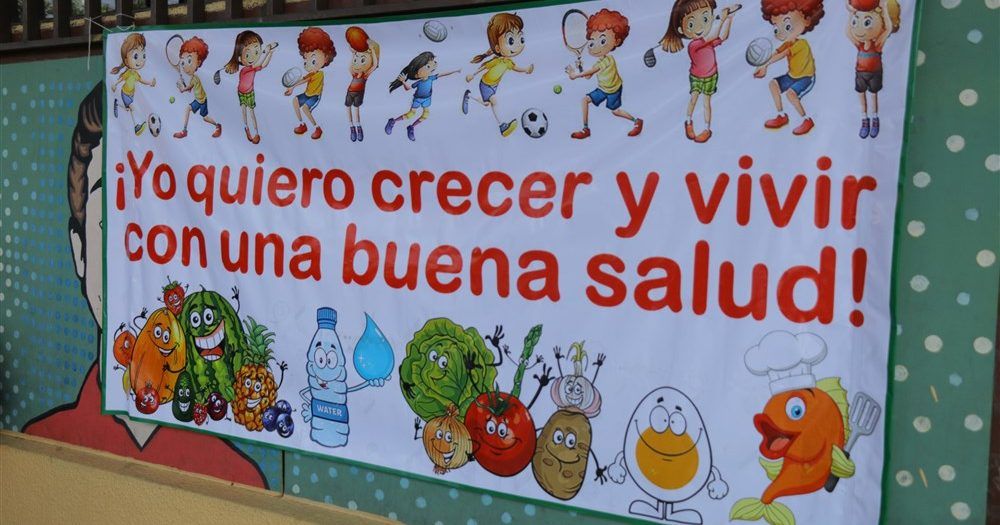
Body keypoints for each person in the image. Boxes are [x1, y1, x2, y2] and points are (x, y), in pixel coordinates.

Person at [23, 84, 267, 489]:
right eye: (113, 223)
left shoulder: (239, 478)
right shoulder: (41, 444)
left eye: (167, 228)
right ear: (80, 251)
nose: (140, 254)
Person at [660, 0, 740, 142]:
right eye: (691, 24)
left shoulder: (708, 42)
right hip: (696, 77)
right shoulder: (694, 44)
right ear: (681, 30)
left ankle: (706, 129)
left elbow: (723, 37)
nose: (700, 27)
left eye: (705, 18)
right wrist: (721, 19)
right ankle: (688, 122)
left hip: (711, 76)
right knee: (694, 99)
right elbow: (713, 36)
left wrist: (729, 19)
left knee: (706, 103)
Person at [565, 9, 643, 139]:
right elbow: (588, 76)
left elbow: (592, 71)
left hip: (614, 90)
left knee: (615, 111)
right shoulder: (599, 61)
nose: (595, 46)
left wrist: (575, 75)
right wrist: (579, 68)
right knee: (585, 100)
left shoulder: (608, 60)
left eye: (602, 41)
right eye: (592, 42)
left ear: (616, 41)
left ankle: (637, 121)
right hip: (602, 89)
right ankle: (586, 129)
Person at [753, 0, 825, 135]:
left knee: (790, 94)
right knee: (773, 84)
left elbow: (784, 54)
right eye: (776, 28)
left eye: (787, 26)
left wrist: (766, 65)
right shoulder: (788, 43)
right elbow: (777, 52)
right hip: (792, 76)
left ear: (806, 20)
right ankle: (781, 116)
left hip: (806, 78)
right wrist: (763, 66)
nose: (780, 32)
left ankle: (806, 120)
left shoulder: (802, 44)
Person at [462, 13, 535, 137]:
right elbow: (485, 66)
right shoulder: (497, 60)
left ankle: (469, 95)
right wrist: (473, 74)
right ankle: (502, 126)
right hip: (485, 84)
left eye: (521, 39)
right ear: (497, 47)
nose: (518, 45)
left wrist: (526, 70)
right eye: (511, 40)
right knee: (494, 102)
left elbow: (515, 68)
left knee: (487, 104)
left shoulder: (508, 62)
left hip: (494, 86)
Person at [845, 0, 900, 138]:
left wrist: (884, 9)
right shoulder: (859, 45)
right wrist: (851, 15)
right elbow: (848, 33)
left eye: (867, 23)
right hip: (860, 73)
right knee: (861, 95)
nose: (859, 29)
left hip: (874, 73)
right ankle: (865, 120)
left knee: (873, 96)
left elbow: (887, 29)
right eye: (855, 22)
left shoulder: (877, 45)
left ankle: (875, 118)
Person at [385, 52, 460, 141]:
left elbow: (442, 74)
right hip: (417, 99)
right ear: (417, 75)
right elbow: (408, 88)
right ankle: (393, 121)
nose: (434, 64)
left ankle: (411, 127)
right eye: (428, 66)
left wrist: (455, 71)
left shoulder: (431, 78)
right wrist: (403, 82)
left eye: (433, 62)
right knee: (411, 114)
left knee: (425, 115)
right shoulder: (418, 82)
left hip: (427, 99)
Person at [222, 30, 277, 144]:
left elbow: (263, 65)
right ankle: (246, 127)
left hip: (250, 92)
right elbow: (258, 63)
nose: (253, 56)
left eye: (257, 51)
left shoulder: (254, 67)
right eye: (247, 54)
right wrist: (266, 51)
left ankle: (256, 133)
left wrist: (270, 54)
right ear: (240, 58)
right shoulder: (246, 69)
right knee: (244, 110)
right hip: (241, 92)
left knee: (251, 112)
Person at [285, 27, 336, 140]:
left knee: (305, 108)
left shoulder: (319, 74)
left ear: (326, 58)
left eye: (312, 61)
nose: (307, 65)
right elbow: (303, 79)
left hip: (314, 96)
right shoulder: (311, 73)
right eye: (305, 61)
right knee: (295, 100)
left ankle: (317, 128)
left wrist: (292, 87)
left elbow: (305, 80)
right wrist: (292, 88)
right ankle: (302, 124)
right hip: (307, 94)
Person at [172, 36, 222, 139]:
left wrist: (181, 88)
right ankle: (184, 131)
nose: (185, 66)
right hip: (198, 99)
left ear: (198, 62)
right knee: (188, 109)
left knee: (205, 117)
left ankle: (217, 126)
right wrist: (182, 87)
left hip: (202, 100)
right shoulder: (193, 78)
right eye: (183, 62)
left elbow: (187, 89)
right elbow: (190, 89)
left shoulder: (195, 79)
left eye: (189, 61)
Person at [109, 33, 156, 136]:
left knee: (128, 109)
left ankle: (117, 104)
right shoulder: (128, 73)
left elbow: (141, 80)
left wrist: (150, 83)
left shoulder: (135, 74)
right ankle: (136, 127)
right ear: (126, 60)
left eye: (143, 55)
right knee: (133, 108)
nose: (140, 60)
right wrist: (115, 84)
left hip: (131, 95)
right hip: (125, 93)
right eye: (136, 56)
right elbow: (121, 78)